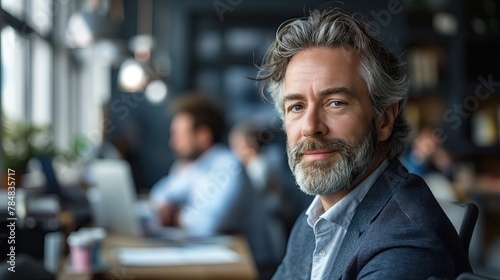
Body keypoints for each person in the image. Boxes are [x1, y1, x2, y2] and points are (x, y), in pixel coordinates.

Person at [256, 8, 472, 279]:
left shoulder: (406, 241)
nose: (311, 127)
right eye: (296, 107)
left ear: (384, 120)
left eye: (336, 103)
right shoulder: (312, 221)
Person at [149, 93, 272, 265]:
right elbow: (159, 194)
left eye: (178, 135)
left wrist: (176, 215)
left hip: (251, 269)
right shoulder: (193, 166)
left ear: (203, 136)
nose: (172, 143)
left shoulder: (230, 167)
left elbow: (209, 224)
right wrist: (165, 206)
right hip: (212, 261)